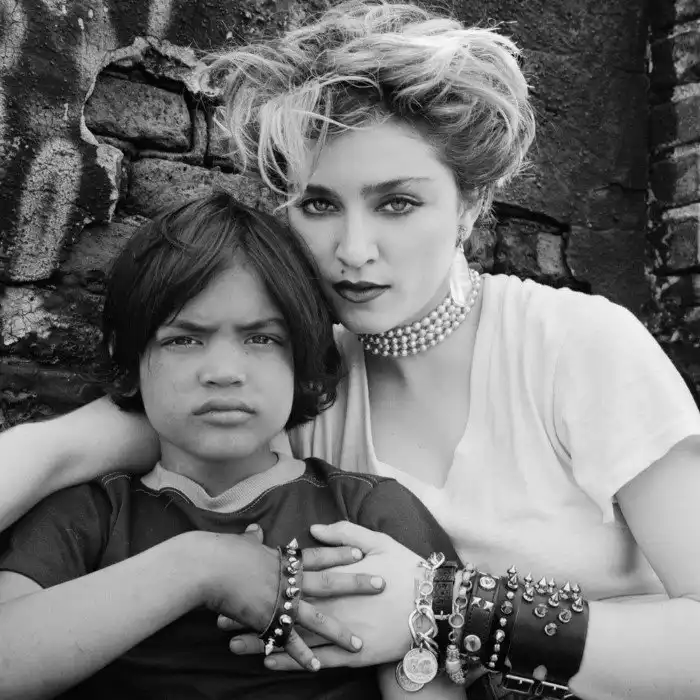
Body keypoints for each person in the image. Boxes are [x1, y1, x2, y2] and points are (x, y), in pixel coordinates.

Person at [1, 1, 700, 698]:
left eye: (397, 203)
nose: (354, 250)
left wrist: (445, 608)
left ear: (470, 205)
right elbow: (58, 453)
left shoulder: (574, 344)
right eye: (319, 204)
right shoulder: (290, 378)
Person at [0, 192, 461, 700]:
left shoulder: (369, 514)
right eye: (184, 339)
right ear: (126, 359)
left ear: (303, 357)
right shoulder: (89, 515)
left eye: (261, 338)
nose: (223, 372)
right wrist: (200, 568)